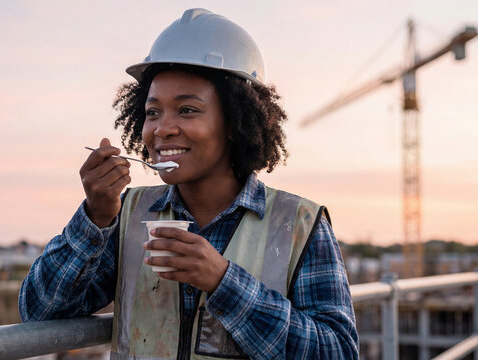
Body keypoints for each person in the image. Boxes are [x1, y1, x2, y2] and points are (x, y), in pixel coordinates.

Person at [19, 8, 358, 360]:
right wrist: (96, 216)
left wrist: (224, 282)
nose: (162, 128)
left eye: (187, 110)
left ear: (234, 123)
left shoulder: (300, 224)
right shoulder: (128, 216)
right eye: (153, 112)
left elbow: (337, 351)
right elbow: (40, 313)